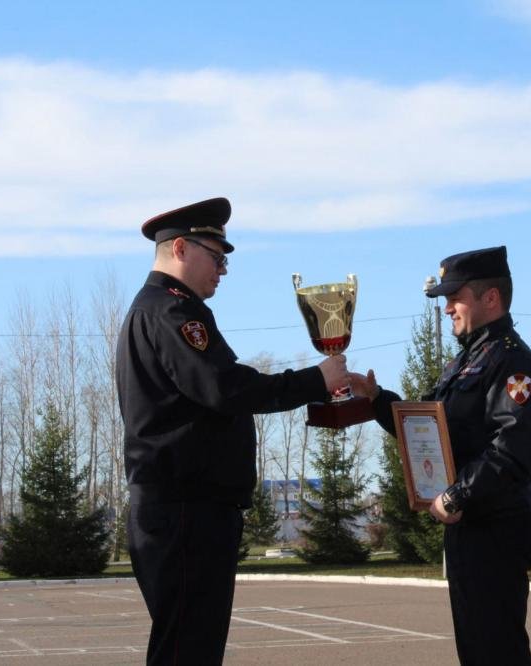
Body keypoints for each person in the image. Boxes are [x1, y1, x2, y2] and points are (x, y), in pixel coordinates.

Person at [115, 197, 349, 665]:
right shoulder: (173, 313)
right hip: (186, 510)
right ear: (180, 248)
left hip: (182, 508)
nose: (223, 270)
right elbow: (226, 389)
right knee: (187, 649)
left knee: (187, 644)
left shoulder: (162, 310)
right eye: (217, 257)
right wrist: (315, 380)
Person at [349, 246, 531, 665]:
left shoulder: (513, 363)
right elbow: (429, 429)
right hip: (468, 526)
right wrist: (376, 400)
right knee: (477, 650)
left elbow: (512, 452)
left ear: (489, 298)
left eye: (454, 298)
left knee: (498, 650)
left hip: (495, 528)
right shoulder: (467, 360)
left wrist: (458, 494)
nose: (446, 309)